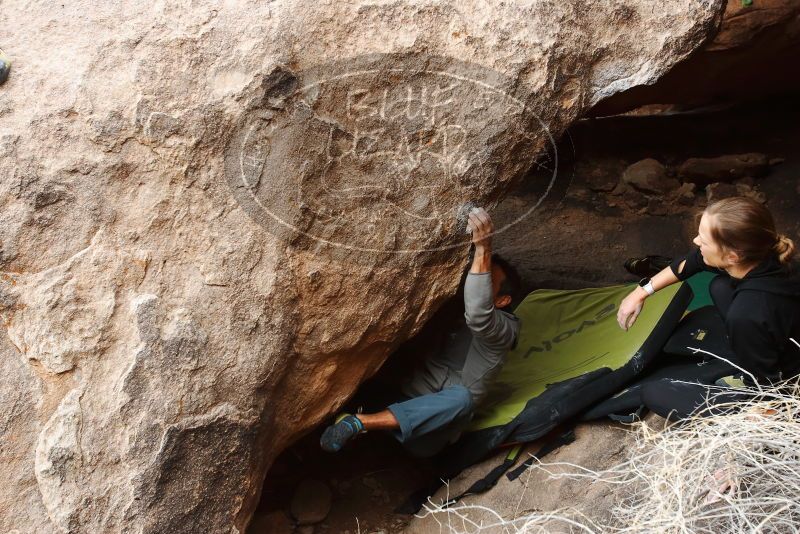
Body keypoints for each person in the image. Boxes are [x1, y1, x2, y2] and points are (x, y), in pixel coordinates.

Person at [320, 208, 522, 457]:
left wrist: (484, 250)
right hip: (399, 394)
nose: (477, 275)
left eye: (487, 277)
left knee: (462, 399)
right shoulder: (451, 306)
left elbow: (479, 313)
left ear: (503, 301)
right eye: (478, 270)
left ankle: (357, 423)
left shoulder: (504, 329)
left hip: (428, 430)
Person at [617, 196, 800, 420]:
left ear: (732, 256)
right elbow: (691, 262)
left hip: (788, 388)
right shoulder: (767, 253)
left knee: (654, 393)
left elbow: (773, 390)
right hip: (779, 340)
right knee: (720, 286)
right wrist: (640, 293)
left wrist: (759, 412)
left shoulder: (747, 314)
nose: (695, 241)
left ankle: (746, 392)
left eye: (703, 240)